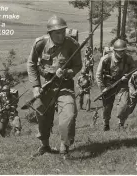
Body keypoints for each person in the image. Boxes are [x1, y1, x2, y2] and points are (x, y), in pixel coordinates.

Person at [27, 15, 82, 156]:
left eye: (63, 31)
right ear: (50, 33)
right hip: (46, 87)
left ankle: (65, 146)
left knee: (68, 116)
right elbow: (31, 64)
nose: (61, 35)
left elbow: (78, 66)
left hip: (65, 86)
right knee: (42, 116)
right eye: (57, 32)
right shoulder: (40, 44)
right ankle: (45, 146)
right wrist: (35, 86)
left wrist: (68, 72)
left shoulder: (72, 45)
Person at [96, 39, 135, 131]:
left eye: (123, 51)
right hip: (108, 85)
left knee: (124, 104)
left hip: (122, 84)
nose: (121, 54)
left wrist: (128, 76)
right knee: (107, 107)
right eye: (119, 52)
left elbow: (133, 69)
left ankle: (121, 124)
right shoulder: (105, 59)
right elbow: (98, 75)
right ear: (114, 51)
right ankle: (106, 124)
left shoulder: (128, 58)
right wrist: (102, 88)